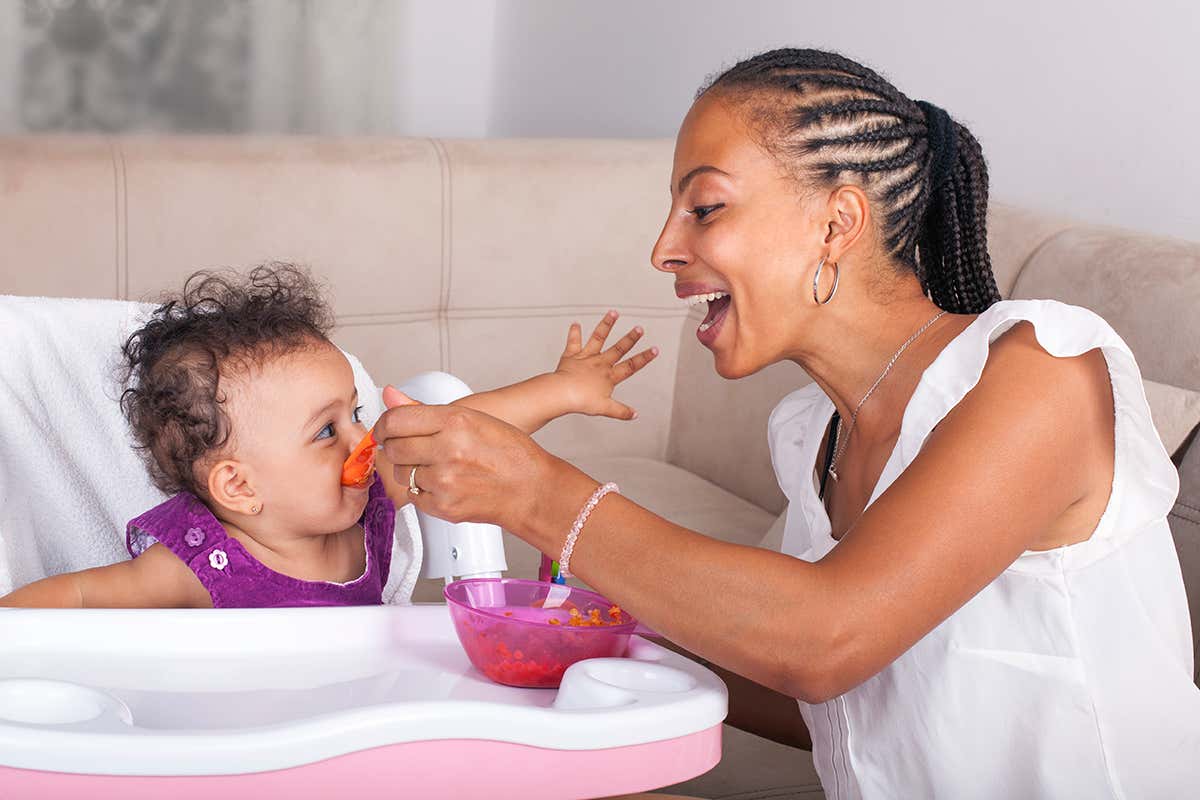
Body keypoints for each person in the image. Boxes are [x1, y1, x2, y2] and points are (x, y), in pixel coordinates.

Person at [370, 49, 1200, 798]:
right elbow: (836, 699)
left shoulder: (1042, 369)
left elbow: (824, 639)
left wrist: (539, 495)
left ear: (837, 223)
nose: (663, 248)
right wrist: (596, 630)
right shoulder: (812, 435)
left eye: (704, 208)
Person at [0, 264, 656, 608]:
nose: (359, 441)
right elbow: (82, 593)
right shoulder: (198, 565)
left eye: (356, 415)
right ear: (239, 485)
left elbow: (462, 427)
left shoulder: (371, 502)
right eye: (325, 431)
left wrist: (563, 389)